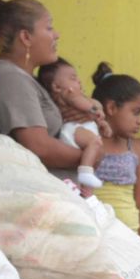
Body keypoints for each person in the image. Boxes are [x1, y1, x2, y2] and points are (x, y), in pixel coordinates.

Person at [0, 0, 87, 182]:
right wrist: (91, 158)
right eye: (49, 27)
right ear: (26, 37)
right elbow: (39, 147)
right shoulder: (11, 80)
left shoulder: (20, 78)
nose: (56, 34)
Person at [83, 64, 140, 230]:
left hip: (130, 237)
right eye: (136, 112)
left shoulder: (134, 149)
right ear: (111, 108)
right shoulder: (88, 142)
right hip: (96, 234)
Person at [38, 57, 109, 196]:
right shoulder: (71, 95)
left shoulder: (67, 97)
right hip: (74, 131)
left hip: (76, 133)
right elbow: (86, 105)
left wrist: (102, 122)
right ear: (57, 87)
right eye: (73, 78)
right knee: (94, 143)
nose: (79, 81)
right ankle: (85, 173)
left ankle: (86, 188)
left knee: (91, 152)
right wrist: (95, 111)